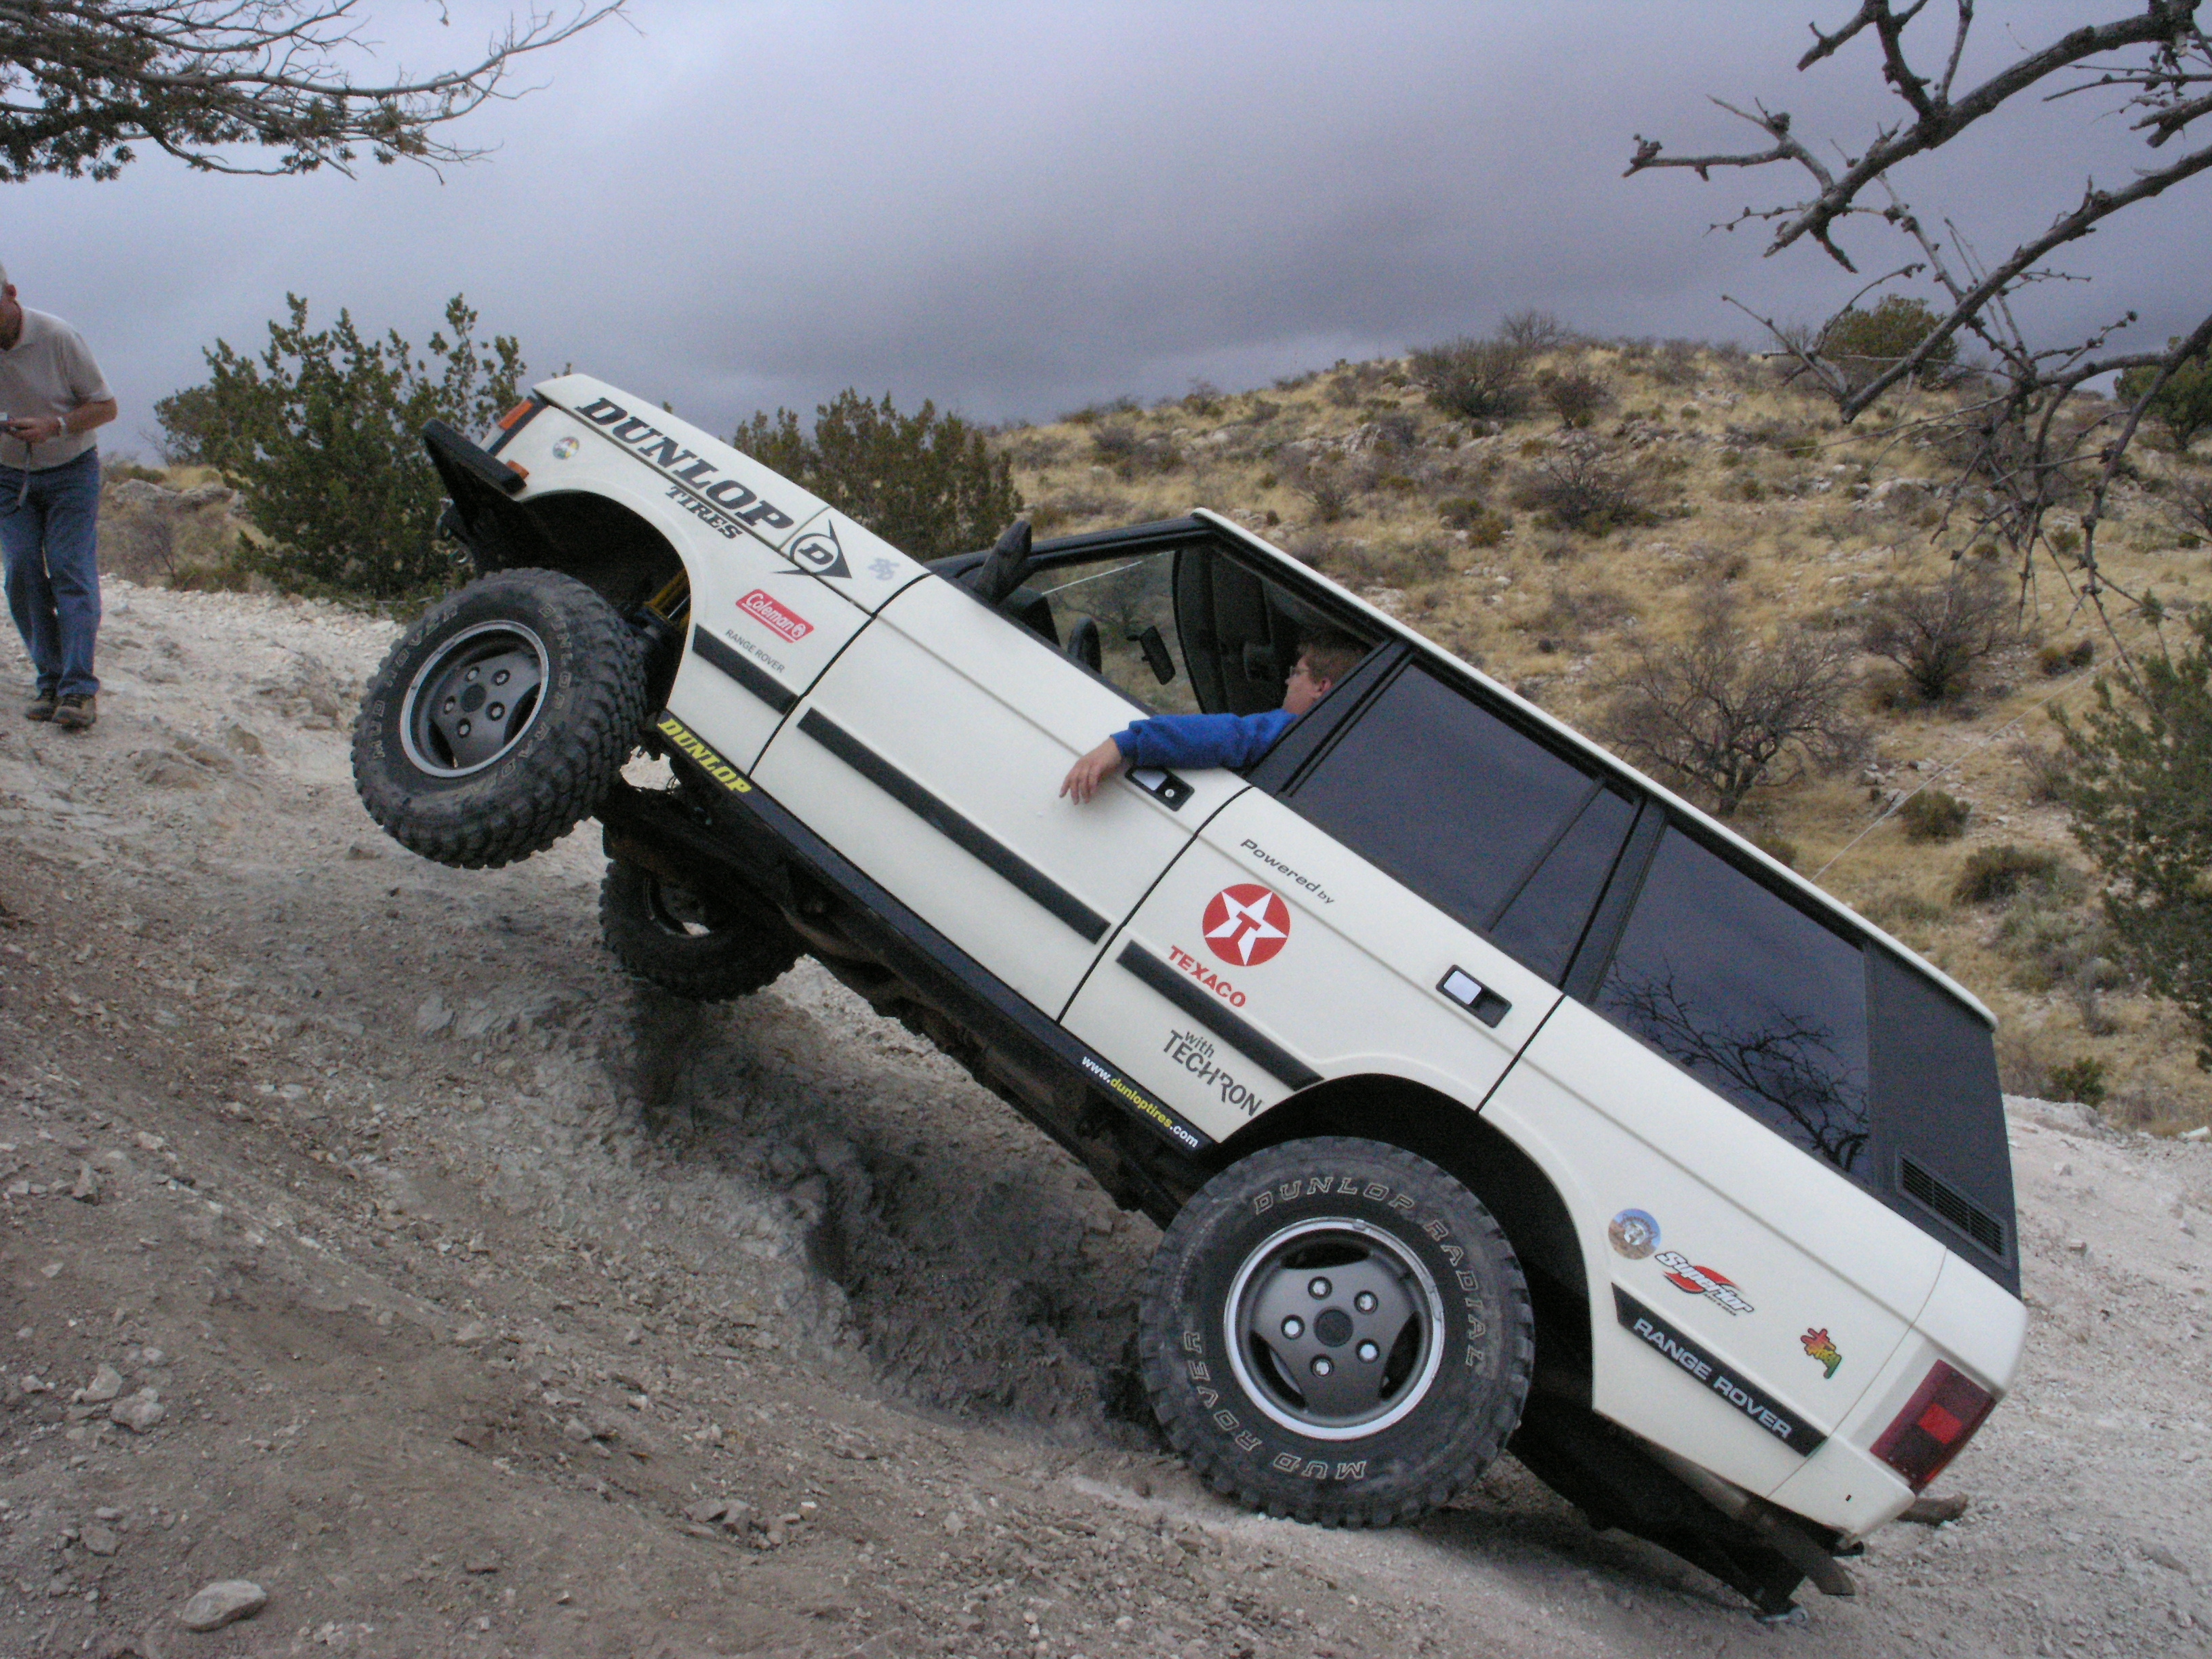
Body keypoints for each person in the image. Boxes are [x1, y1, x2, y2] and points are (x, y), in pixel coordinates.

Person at [1, 258, 119, 731]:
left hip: (71, 469)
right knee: (22, 571)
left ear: (11, 294)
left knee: (70, 569)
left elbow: (106, 406)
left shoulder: (57, 337)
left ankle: (78, 689)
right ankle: (49, 679)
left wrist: (56, 426)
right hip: (8, 474)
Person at [1061, 633, 1366, 802]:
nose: (1288, 681)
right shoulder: (1353, 751)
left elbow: (1228, 735)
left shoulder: (1294, 731)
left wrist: (1124, 743)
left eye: (1297, 673)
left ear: (1320, 687)